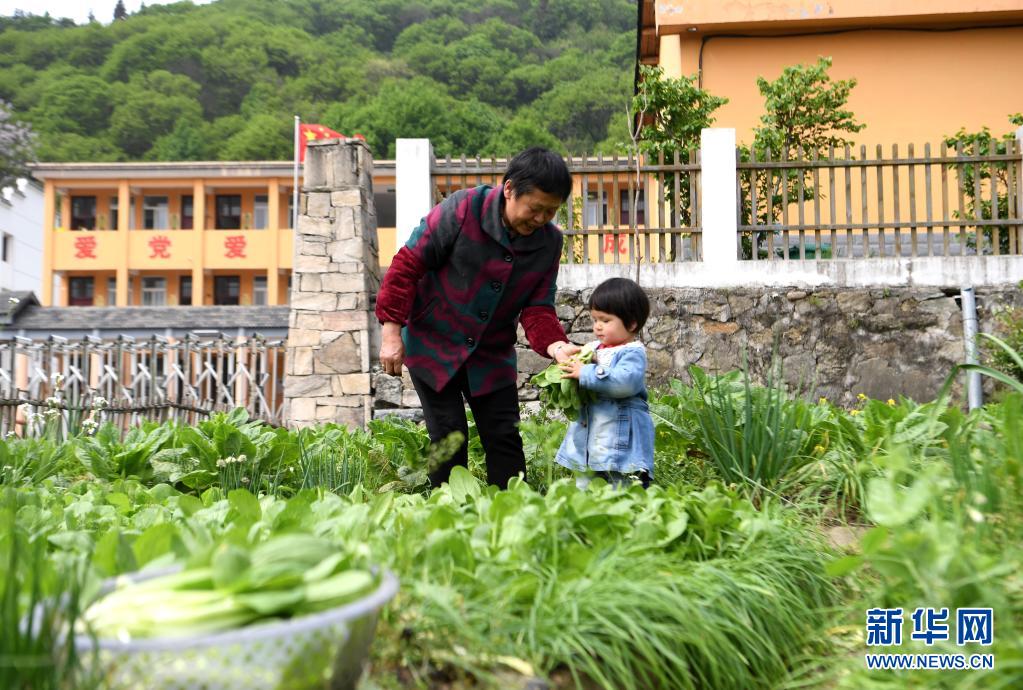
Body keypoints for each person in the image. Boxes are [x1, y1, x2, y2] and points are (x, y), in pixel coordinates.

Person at [376, 147, 581, 489]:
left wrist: (558, 347)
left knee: (505, 438)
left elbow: (537, 308)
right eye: (535, 209)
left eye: (550, 211)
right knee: (448, 437)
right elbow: (407, 264)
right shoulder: (462, 209)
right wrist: (392, 332)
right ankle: (447, 515)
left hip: (490, 355)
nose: (541, 219)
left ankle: (512, 513)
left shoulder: (549, 242)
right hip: (433, 342)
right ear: (510, 189)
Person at [555, 277, 654, 489]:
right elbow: (581, 372)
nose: (598, 327)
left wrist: (586, 372)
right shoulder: (594, 349)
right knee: (585, 490)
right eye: (595, 320)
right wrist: (572, 361)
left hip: (620, 447)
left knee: (624, 490)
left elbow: (624, 383)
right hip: (589, 444)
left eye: (606, 320)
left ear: (632, 323)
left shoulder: (632, 353)